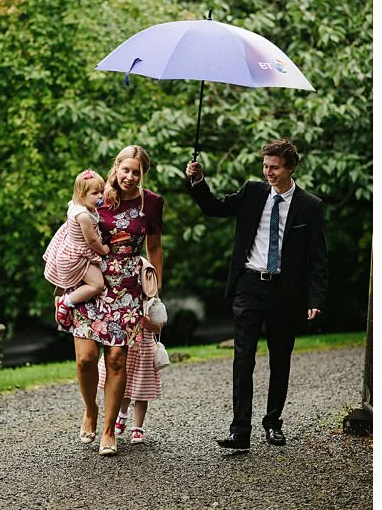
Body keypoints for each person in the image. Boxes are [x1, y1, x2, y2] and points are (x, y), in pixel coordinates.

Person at [186, 138, 328, 450]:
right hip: (249, 284)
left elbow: (318, 257)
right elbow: (214, 207)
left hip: (286, 291)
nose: (268, 172)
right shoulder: (252, 192)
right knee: (243, 358)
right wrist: (197, 181)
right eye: (265, 166)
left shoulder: (310, 205)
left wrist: (315, 298)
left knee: (280, 359)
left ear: (290, 168)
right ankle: (240, 430)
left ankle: (273, 422)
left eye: (274, 167)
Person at [65, 145, 165, 457]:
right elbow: (71, 235)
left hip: (128, 286)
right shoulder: (97, 195)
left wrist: (155, 292)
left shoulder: (152, 203)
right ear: (116, 167)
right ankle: (90, 411)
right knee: (85, 359)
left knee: (117, 358)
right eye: (126, 170)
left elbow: (154, 248)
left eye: (137, 172)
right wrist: (61, 285)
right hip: (90, 279)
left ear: (143, 173)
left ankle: (109, 431)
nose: (130, 177)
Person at [44, 169, 110, 327]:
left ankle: (61, 294)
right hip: (76, 256)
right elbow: (92, 241)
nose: (100, 196)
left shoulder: (76, 205)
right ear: (81, 195)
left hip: (68, 247)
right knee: (97, 285)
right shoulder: (83, 216)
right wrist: (104, 250)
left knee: (68, 282)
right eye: (95, 193)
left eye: (101, 192)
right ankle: (66, 302)